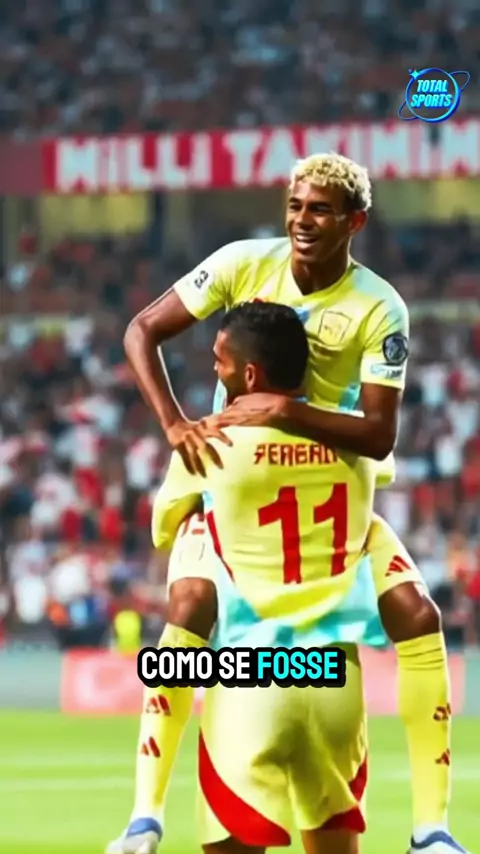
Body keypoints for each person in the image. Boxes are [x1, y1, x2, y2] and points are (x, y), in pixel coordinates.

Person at [112, 153, 465, 854]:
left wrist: (283, 412)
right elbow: (141, 330)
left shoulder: (379, 306)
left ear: (354, 222)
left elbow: (380, 434)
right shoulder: (243, 262)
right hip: (236, 476)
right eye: (297, 205)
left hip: (331, 475)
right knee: (189, 604)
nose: (303, 220)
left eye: (321, 210)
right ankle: (144, 815)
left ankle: (431, 828)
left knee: (419, 614)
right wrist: (175, 423)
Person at [139, 301, 375, 854]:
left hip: (253, 676)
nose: (213, 370)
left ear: (249, 375)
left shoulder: (211, 443)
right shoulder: (357, 445)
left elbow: (165, 527)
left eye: (220, 361)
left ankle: (142, 816)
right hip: (335, 678)